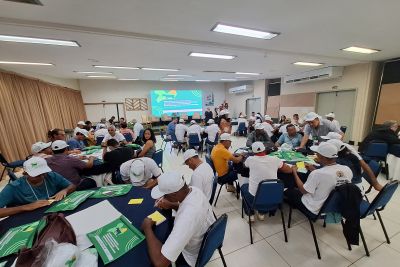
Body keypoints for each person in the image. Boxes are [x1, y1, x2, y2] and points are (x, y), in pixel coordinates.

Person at [141, 171, 215, 267]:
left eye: (164, 195)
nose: (163, 198)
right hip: (205, 241)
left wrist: (147, 228)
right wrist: (172, 205)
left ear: (174, 194)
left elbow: (160, 263)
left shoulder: (186, 218)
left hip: (192, 256)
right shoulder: (194, 190)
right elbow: (188, 207)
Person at [285, 142, 352, 216]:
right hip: (335, 206)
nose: (316, 155)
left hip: (315, 208)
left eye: (317, 154)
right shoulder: (347, 169)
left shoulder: (318, 173)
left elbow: (303, 191)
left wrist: (294, 172)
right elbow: (329, 177)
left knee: (289, 190)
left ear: (322, 157)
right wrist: (313, 169)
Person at [0, 157, 75, 218]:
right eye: (37, 175)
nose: (42, 177)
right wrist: (26, 207)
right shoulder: (14, 187)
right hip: (29, 218)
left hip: (55, 213)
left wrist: (65, 190)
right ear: (25, 173)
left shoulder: (51, 175)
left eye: (43, 173)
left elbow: (72, 186)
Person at [242, 142, 293, 221]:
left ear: (253, 151)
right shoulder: (275, 159)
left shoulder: (250, 159)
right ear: (264, 149)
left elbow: (244, 165)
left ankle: (250, 214)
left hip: (255, 199)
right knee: (265, 189)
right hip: (274, 198)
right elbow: (289, 170)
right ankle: (262, 213)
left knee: (244, 187)